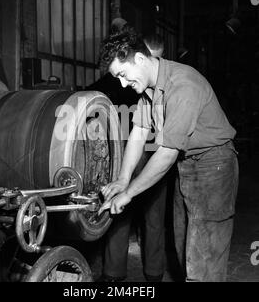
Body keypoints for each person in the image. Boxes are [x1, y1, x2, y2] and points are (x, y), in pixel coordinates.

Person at [98, 30, 239, 282]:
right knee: (184, 247)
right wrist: (122, 179)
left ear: (140, 59)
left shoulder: (183, 85)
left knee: (203, 259)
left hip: (214, 166)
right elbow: (139, 133)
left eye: (122, 74)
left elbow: (165, 155)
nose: (121, 83)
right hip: (187, 167)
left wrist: (128, 193)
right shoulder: (148, 91)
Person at [92, 30, 168, 282]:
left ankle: (154, 273)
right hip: (125, 152)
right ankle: (114, 273)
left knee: (154, 217)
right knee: (119, 212)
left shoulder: (163, 86)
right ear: (138, 57)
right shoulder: (118, 78)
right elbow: (89, 97)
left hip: (156, 151)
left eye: (160, 59)